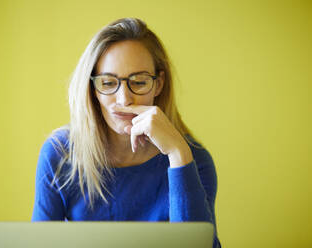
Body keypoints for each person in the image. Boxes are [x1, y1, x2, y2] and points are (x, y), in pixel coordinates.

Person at [32, 18, 221, 247]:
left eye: (139, 82)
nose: (124, 100)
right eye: (108, 83)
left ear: (158, 84)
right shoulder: (59, 154)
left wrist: (178, 154)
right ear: (92, 89)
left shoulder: (193, 160)